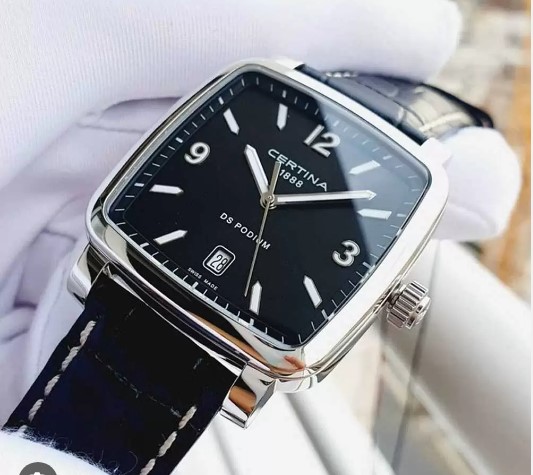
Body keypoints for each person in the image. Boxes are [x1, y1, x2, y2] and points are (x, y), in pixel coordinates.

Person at [0, 0, 520, 473]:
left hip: (188, 325)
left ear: (394, 296)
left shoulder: (403, 174)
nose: (269, 202)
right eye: (268, 192)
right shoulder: (257, 83)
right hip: (128, 278)